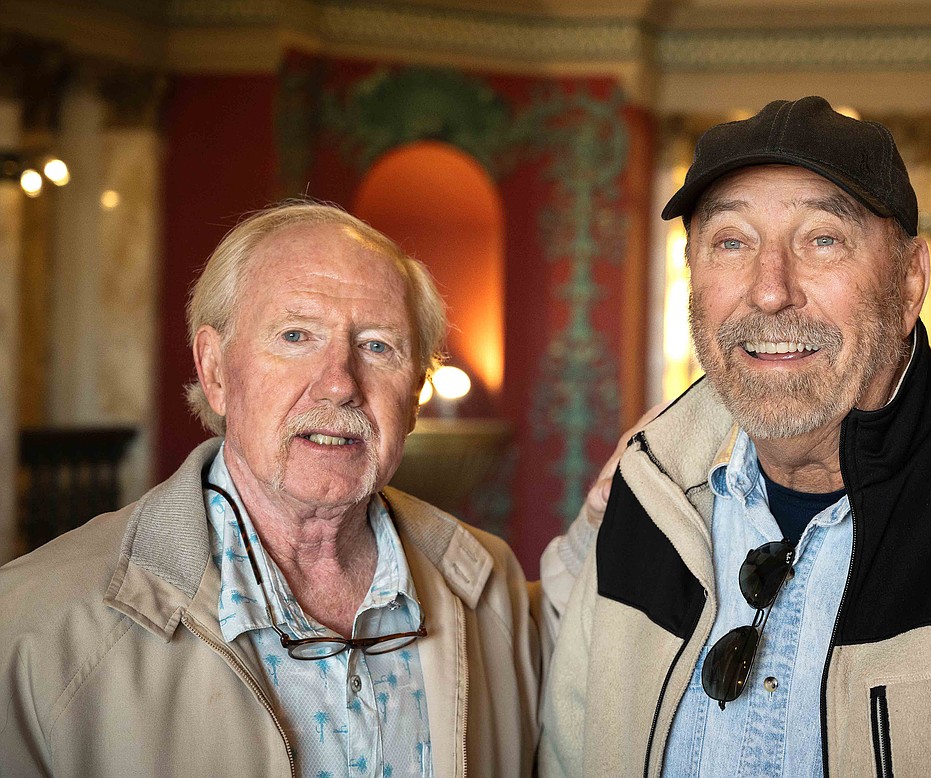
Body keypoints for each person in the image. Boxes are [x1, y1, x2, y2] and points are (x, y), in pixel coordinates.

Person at [539, 96, 931, 776]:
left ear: (907, 285)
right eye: (731, 242)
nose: (770, 291)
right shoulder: (646, 494)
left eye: (822, 240)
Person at [0, 202, 540, 776]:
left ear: (414, 394)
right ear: (215, 372)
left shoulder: (490, 587)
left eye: (378, 346)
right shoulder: (35, 630)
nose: (338, 384)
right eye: (295, 335)